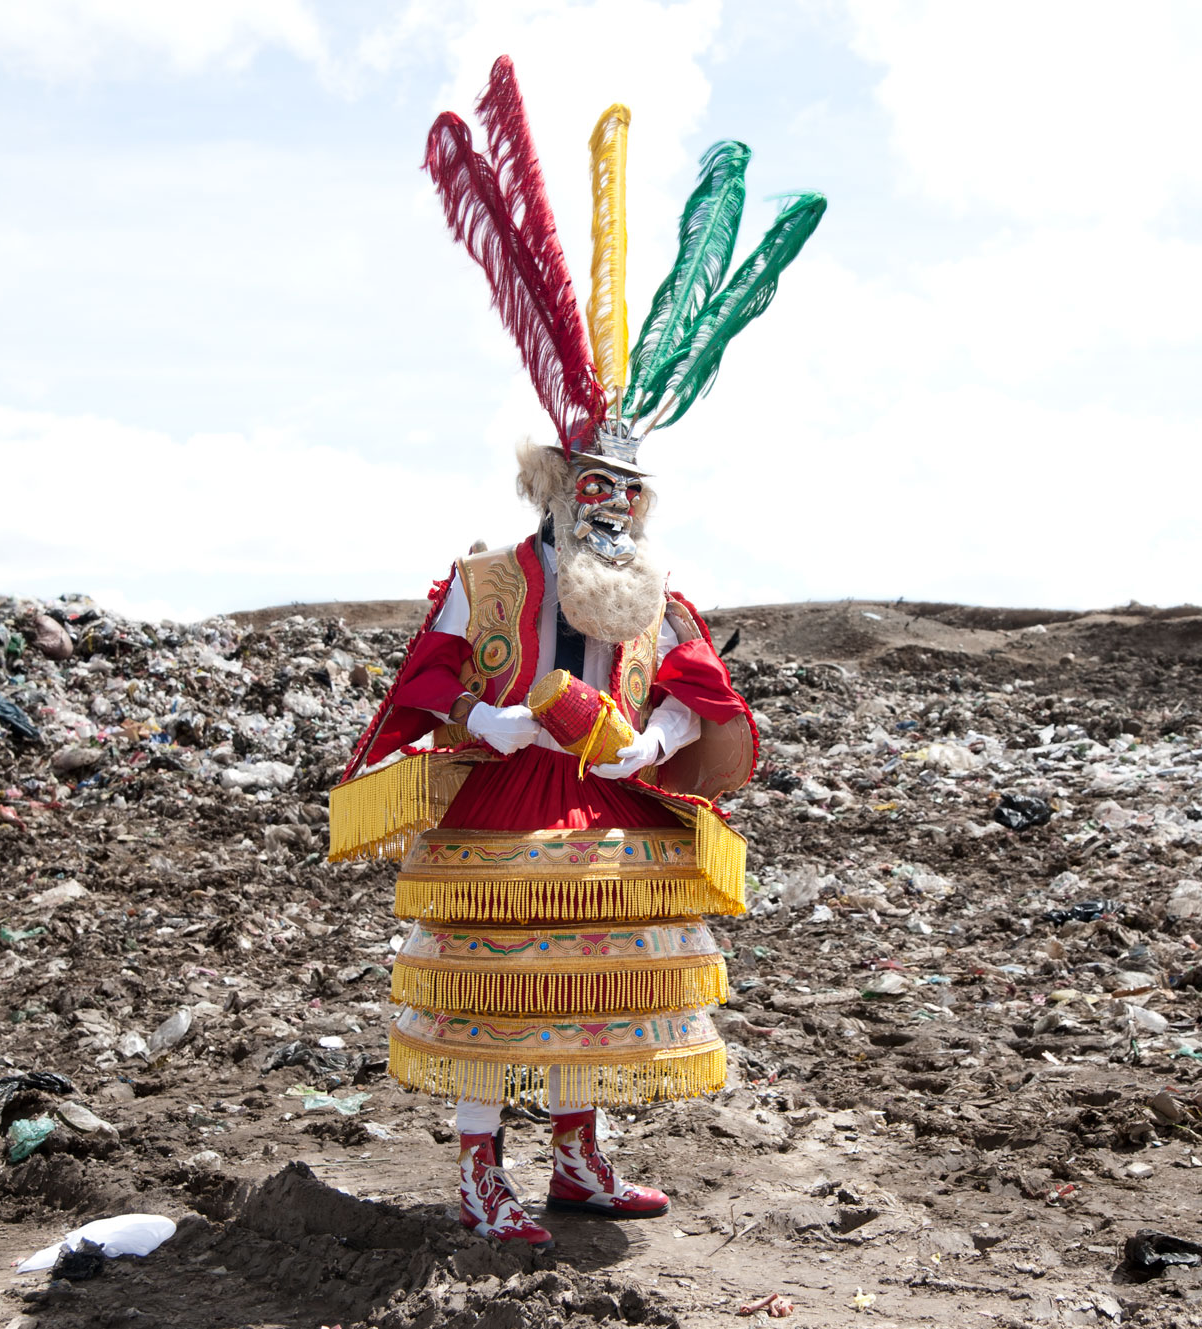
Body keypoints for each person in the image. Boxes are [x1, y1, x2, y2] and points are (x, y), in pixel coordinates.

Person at [330, 55, 823, 1250]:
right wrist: (486, 723)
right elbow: (430, 683)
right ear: (556, 485)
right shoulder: (489, 581)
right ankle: (476, 1169)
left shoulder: (656, 594)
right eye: (596, 488)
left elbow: (699, 691)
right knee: (493, 998)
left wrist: (654, 735)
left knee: (601, 987)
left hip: (615, 806)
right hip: (507, 805)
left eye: (630, 495)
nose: (614, 510)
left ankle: (578, 1158)